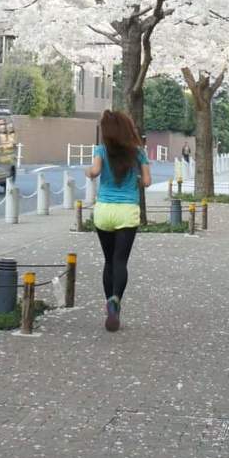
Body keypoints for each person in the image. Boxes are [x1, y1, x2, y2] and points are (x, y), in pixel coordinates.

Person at [89, 109, 151, 332]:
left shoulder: (100, 150)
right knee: (120, 261)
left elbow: (95, 171)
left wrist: (89, 172)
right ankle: (116, 299)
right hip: (127, 211)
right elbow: (147, 181)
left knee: (108, 261)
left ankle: (109, 303)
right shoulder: (138, 153)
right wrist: (136, 179)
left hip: (104, 210)